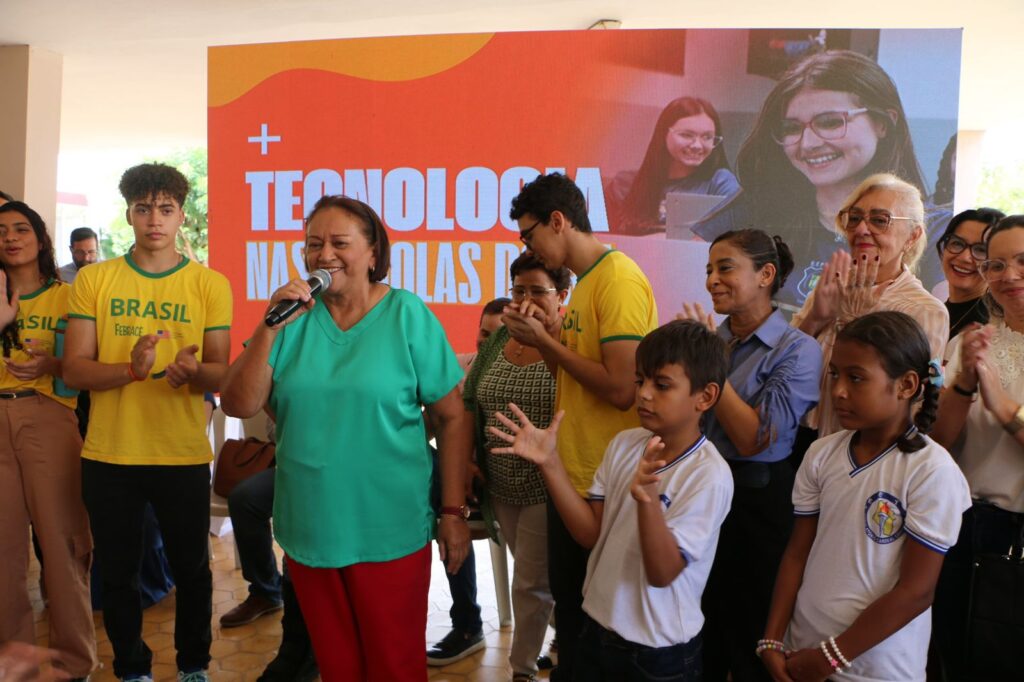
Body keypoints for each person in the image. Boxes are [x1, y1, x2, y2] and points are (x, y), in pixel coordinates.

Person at [220, 194, 471, 682]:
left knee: (393, 667)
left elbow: (452, 417)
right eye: (313, 244)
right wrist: (269, 329)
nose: (324, 255)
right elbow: (240, 403)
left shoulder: (406, 315)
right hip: (311, 525)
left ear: (374, 252)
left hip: (389, 527)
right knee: (338, 667)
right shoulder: (291, 319)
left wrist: (453, 512)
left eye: (340, 242)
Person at [491, 320, 733, 681]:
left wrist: (648, 497)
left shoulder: (709, 474)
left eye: (662, 385)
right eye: (640, 381)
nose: (645, 394)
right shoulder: (625, 443)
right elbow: (591, 534)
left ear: (706, 396)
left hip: (657, 653)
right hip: (597, 628)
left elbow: (662, 572)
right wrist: (551, 464)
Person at [64, 163, 232, 682]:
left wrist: (192, 371)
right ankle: (131, 669)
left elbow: (221, 369)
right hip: (109, 454)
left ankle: (193, 666)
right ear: (129, 213)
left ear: (182, 215)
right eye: (143, 209)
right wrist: (130, 371)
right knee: (118, 572)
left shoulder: (209, 284)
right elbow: (73, 369)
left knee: (193, 570)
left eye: (165, 209)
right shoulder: (95, 278)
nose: (153, 219)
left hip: (180, 453)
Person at [504, 172, 658, 680]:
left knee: (593, 624)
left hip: (608, 478)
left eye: (529, 235)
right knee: (571, 614)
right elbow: (572, 382)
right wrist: (548, 339)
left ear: (558, 221)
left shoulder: (617, 279)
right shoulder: (589, 281)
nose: (528, 246)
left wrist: (547, 343)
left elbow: (621, 390)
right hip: (574, 470)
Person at [760, 311, 970, 682]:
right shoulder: (822, 453)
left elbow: (916, 591)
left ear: (906, 385)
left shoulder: (931, 471)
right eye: (834, 374)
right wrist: (773, 639)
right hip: (802, 651)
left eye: (856, 378)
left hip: (877, 669)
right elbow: (797, 553)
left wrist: (832, 657)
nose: (839, 390)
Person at [694, 50, 948, 312]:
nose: (808, 144)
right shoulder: (753, 211)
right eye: (791, 128)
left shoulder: (934, 231)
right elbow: (683, 289)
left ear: (883, 122)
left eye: (830, 122)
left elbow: (948, 336)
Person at [678, 229, 821, 682]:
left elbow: (756, 438)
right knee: (701, 632)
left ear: (765, 275)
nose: (712, 280)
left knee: (748, 637)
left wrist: (710, 367)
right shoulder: (708, 340)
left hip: (756, 505)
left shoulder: (797, 349)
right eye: (708, 270)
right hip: (697, 496)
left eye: (725, 268)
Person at [0, 201, 96, 681]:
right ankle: (15, 660)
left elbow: (79, 374)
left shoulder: (69, 296)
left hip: (48, 419)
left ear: (40, 237)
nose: (11, 237)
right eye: (1, 231)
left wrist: (50, 365)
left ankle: (74, 662)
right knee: (3, 550)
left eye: (21, 229)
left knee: (62, 544)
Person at [461, 256, 569, 681]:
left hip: (547, 485)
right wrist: (470, 458)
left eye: (537, 291)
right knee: (537, 579)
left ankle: (520, 671)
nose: (524, 300)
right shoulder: (499, 338)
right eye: (518, 290)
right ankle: (573, 636)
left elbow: (578, 399)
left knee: (529, 585)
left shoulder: (569, 342)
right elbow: (472, 398)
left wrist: (545, 338)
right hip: (499, 484)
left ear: (562, 296)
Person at [931, 214, 1024, 679]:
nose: (1009, 276)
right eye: (998, 264)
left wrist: (1004, 407)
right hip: (966, 528)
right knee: (959, 655)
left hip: (1019, 535)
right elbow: (939, 442)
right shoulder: (973, 341)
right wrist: (966, 382)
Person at [792, 172, 948, 438]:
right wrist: (815, 319)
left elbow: (911, 404)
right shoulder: (831, 287)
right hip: (799, 439)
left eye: (879, 220)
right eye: (854, 218)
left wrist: (854, 323)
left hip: (864, 449)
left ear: (912, 236)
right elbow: (784, 366)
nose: (862, 229)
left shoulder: (925, 310)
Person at [426, 298, 509, 667]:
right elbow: (431, 429)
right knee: (434, 487)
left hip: (508, 482)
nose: (486, 345)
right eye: (482, 334)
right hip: (461, 481)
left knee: (445, 501)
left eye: (498, 337)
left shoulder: (525, 375)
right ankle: (466, 622)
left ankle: (468, 625)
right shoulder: (458, 367)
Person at [606, 96, 739, 233]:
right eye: (687, 135)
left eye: (707, 137)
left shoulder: (720, 183)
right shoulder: (623, 184)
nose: (697, 145)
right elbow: (596, 240)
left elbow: (734, 241)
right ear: (663, 134)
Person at [935, 208, 1005, 341]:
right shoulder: (930, 311)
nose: (964, 257)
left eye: (980, 250)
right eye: (957, 243)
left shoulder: (995, 325)